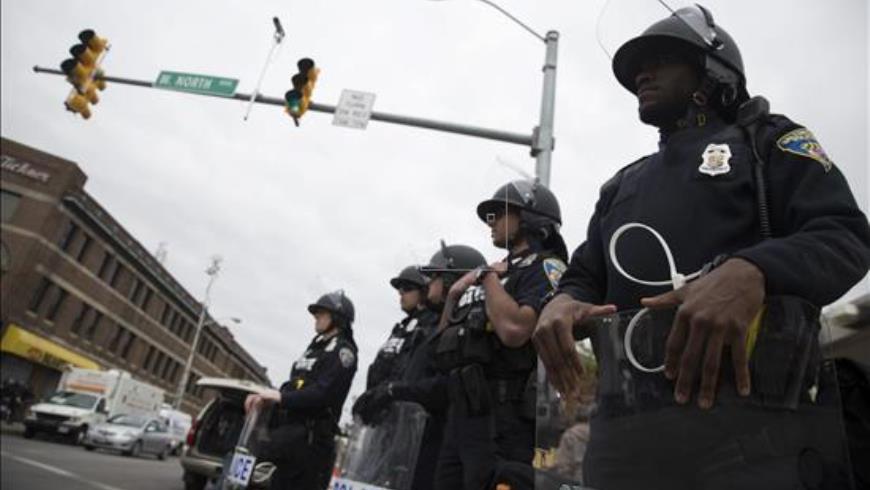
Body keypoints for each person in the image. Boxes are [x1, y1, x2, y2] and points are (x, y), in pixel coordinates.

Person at [533, 6, 870, 490]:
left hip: (751, 430)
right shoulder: (620, 186)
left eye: (660, 59)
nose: (640, 75)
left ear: (714, 71)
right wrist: (561, 303)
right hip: (626, 437)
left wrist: (752, 270)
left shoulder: (770, 142)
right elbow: (584, 275)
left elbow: (844, 236)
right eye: (634, 70)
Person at [433, 181, 568, 490]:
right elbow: (442, 344)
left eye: (500, 212)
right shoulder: (493, 272)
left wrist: (488, 278)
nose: (491, 222)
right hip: (464, 412)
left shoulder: (546, 266)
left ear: (530, 217)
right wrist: (454, 295)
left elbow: (514, 331)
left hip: (504, 416)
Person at [355, 242, 488, 490]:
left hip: (434, 444)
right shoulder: (436, 327)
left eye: (435, 277)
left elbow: (446, 386)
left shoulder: (465, 325)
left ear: (452, 281)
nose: (428, 285)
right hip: (401, 439)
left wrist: (395, 390)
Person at [245, 290, 358, 490]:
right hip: (290, 433)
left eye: (322, 313)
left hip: (312, 440)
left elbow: (323, 393)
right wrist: (267, 399)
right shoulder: (313, 349)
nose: (316, 317)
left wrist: (280, 397)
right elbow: (293, 384)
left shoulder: (343, 351)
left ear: (338, 319)